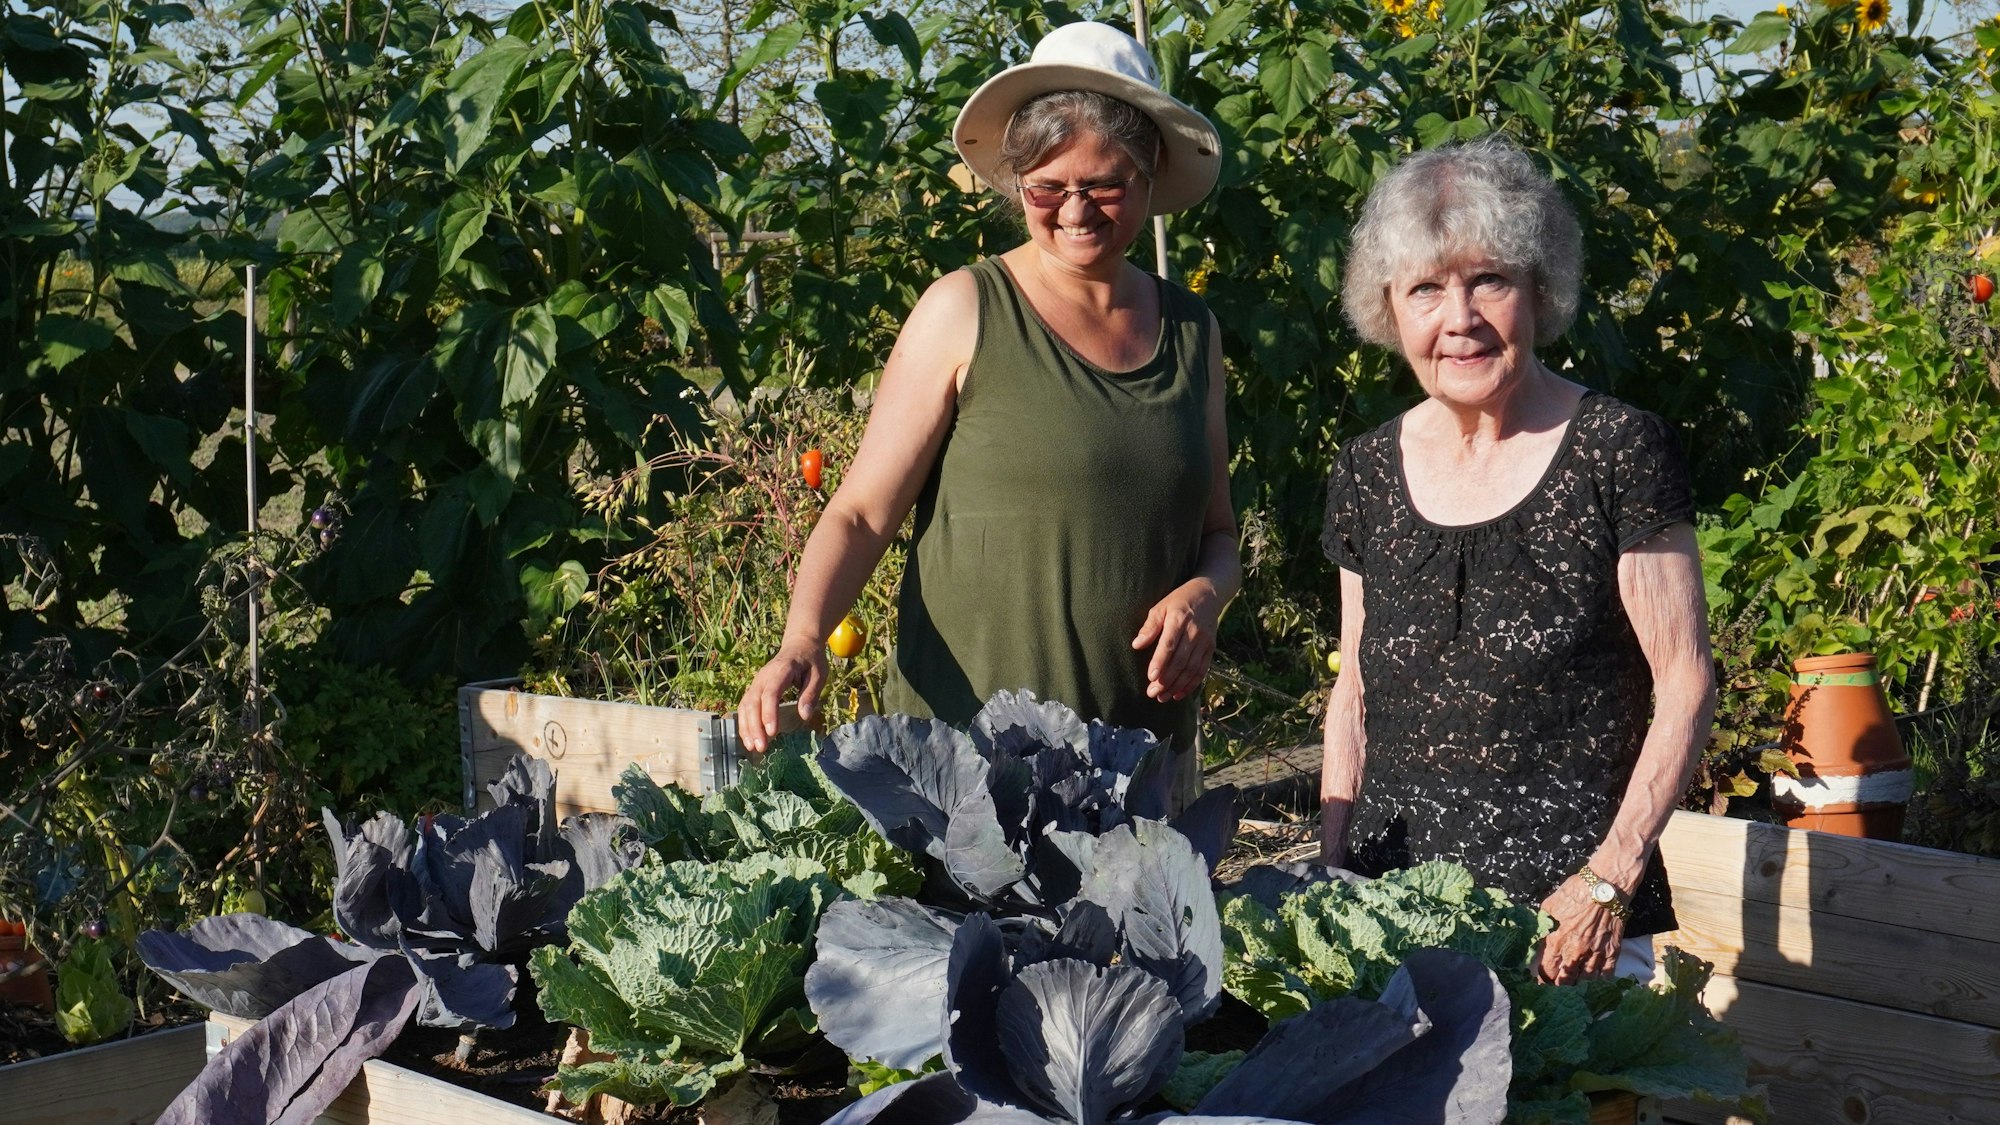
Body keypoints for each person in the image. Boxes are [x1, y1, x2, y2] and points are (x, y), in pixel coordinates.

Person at [736, 22, 1240, 779]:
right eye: (1047, 187)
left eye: (1103, 183)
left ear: (1148, 176)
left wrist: (1205, 595)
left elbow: (1220, 534)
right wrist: (804, 635)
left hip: (1136, 761)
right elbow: (862, 511)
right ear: (1019, 186)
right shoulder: (966, 309)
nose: (1076, 210)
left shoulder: (1192, 334)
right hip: (967, 761)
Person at [1317, 137, 1717, 986]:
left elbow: (1684, 682)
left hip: (1567, 926)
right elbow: (1354, 682)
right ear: (1388, 308)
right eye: (1425, 289)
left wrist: (1607, 880)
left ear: (1540, 289)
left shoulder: (1617, 450)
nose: (1458, 318)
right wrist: (1329, 864)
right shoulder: (1364, 469)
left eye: (1487, 280)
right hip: (1395, 922)